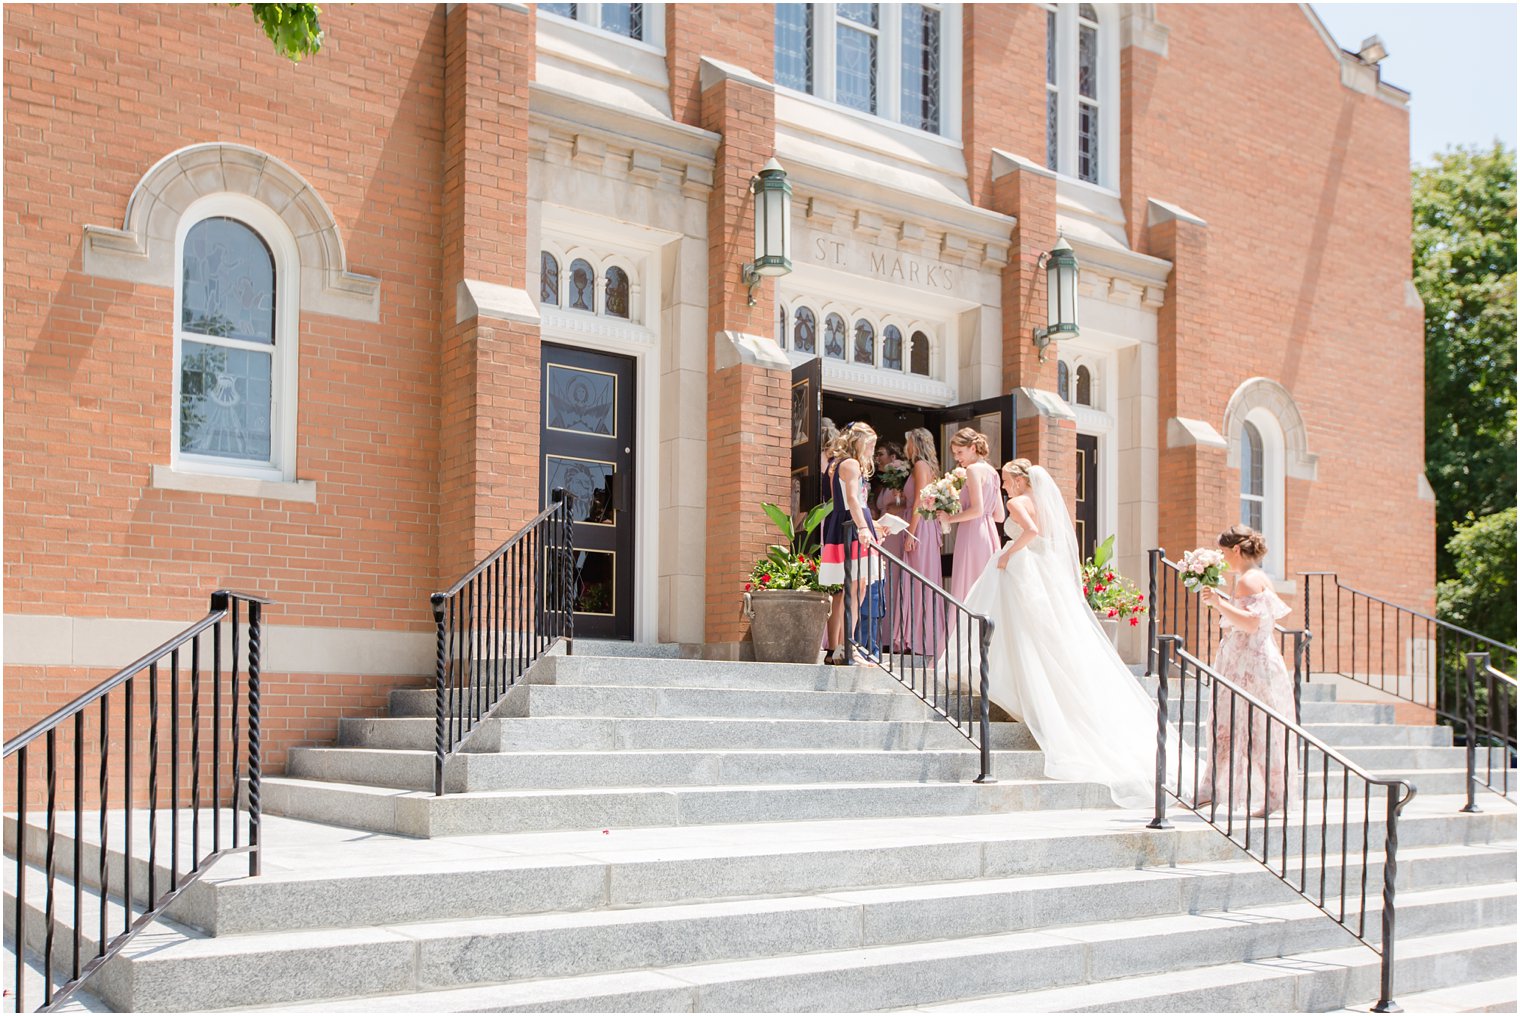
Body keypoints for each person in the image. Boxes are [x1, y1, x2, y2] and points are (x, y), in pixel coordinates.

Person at [958, 459, 1158, 809]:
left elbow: (1031, 533)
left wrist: (1007, 556)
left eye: (1006, 480)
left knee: (1016, 634)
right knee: (1036, 637)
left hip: (1021, 568)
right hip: (1040, 572)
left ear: (1020, 481)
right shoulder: (1044, 501)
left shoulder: (1017, 503)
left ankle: (1014, 689)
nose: (1004, 486)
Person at [1198, 525, 1296, 816]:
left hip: (1249, 666)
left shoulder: (1248, 581)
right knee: (1247, 729)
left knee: (1243, 729)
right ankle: (1214, 788)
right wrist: (1223, 602)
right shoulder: (1256, 578)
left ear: (1237, 550)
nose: (1225, 559)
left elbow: (1252, 623)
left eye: (1226, 552)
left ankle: (1261, 795)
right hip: (1254, 662)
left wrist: (1218, 604)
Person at [819, 422, 880, 665]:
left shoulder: (834, 464)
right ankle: (848, 647)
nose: (872, 450)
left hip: (839, 524)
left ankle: (835, 650)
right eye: (871, 445)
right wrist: (864, 527)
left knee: (842, 590)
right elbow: (853, 499)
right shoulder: (852, 464)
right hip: (853, 526)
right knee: (858, 586)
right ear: (860, 442)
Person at [938, 428, 1004, 602]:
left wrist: (949, 518)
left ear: (973, 448)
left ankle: (964, 627)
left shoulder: (973, 470)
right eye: (954, 453)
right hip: (990, 535)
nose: (957, 457)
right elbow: (1000, 516)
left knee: (967, 586)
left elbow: (977, 510)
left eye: (960, 452)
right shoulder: (993, 472)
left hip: (972, 533)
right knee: (985, 586)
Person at [896, 427, 946, 656]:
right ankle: (919, 637)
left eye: (908, 443)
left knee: (917, 580)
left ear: (914, 444)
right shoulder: (928, 467)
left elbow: (919, 500)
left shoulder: (920, 466)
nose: (906, 447)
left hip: (920, 527)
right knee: (920, 580)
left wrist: (911, 533)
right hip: (924, 524)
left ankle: (919, 639)